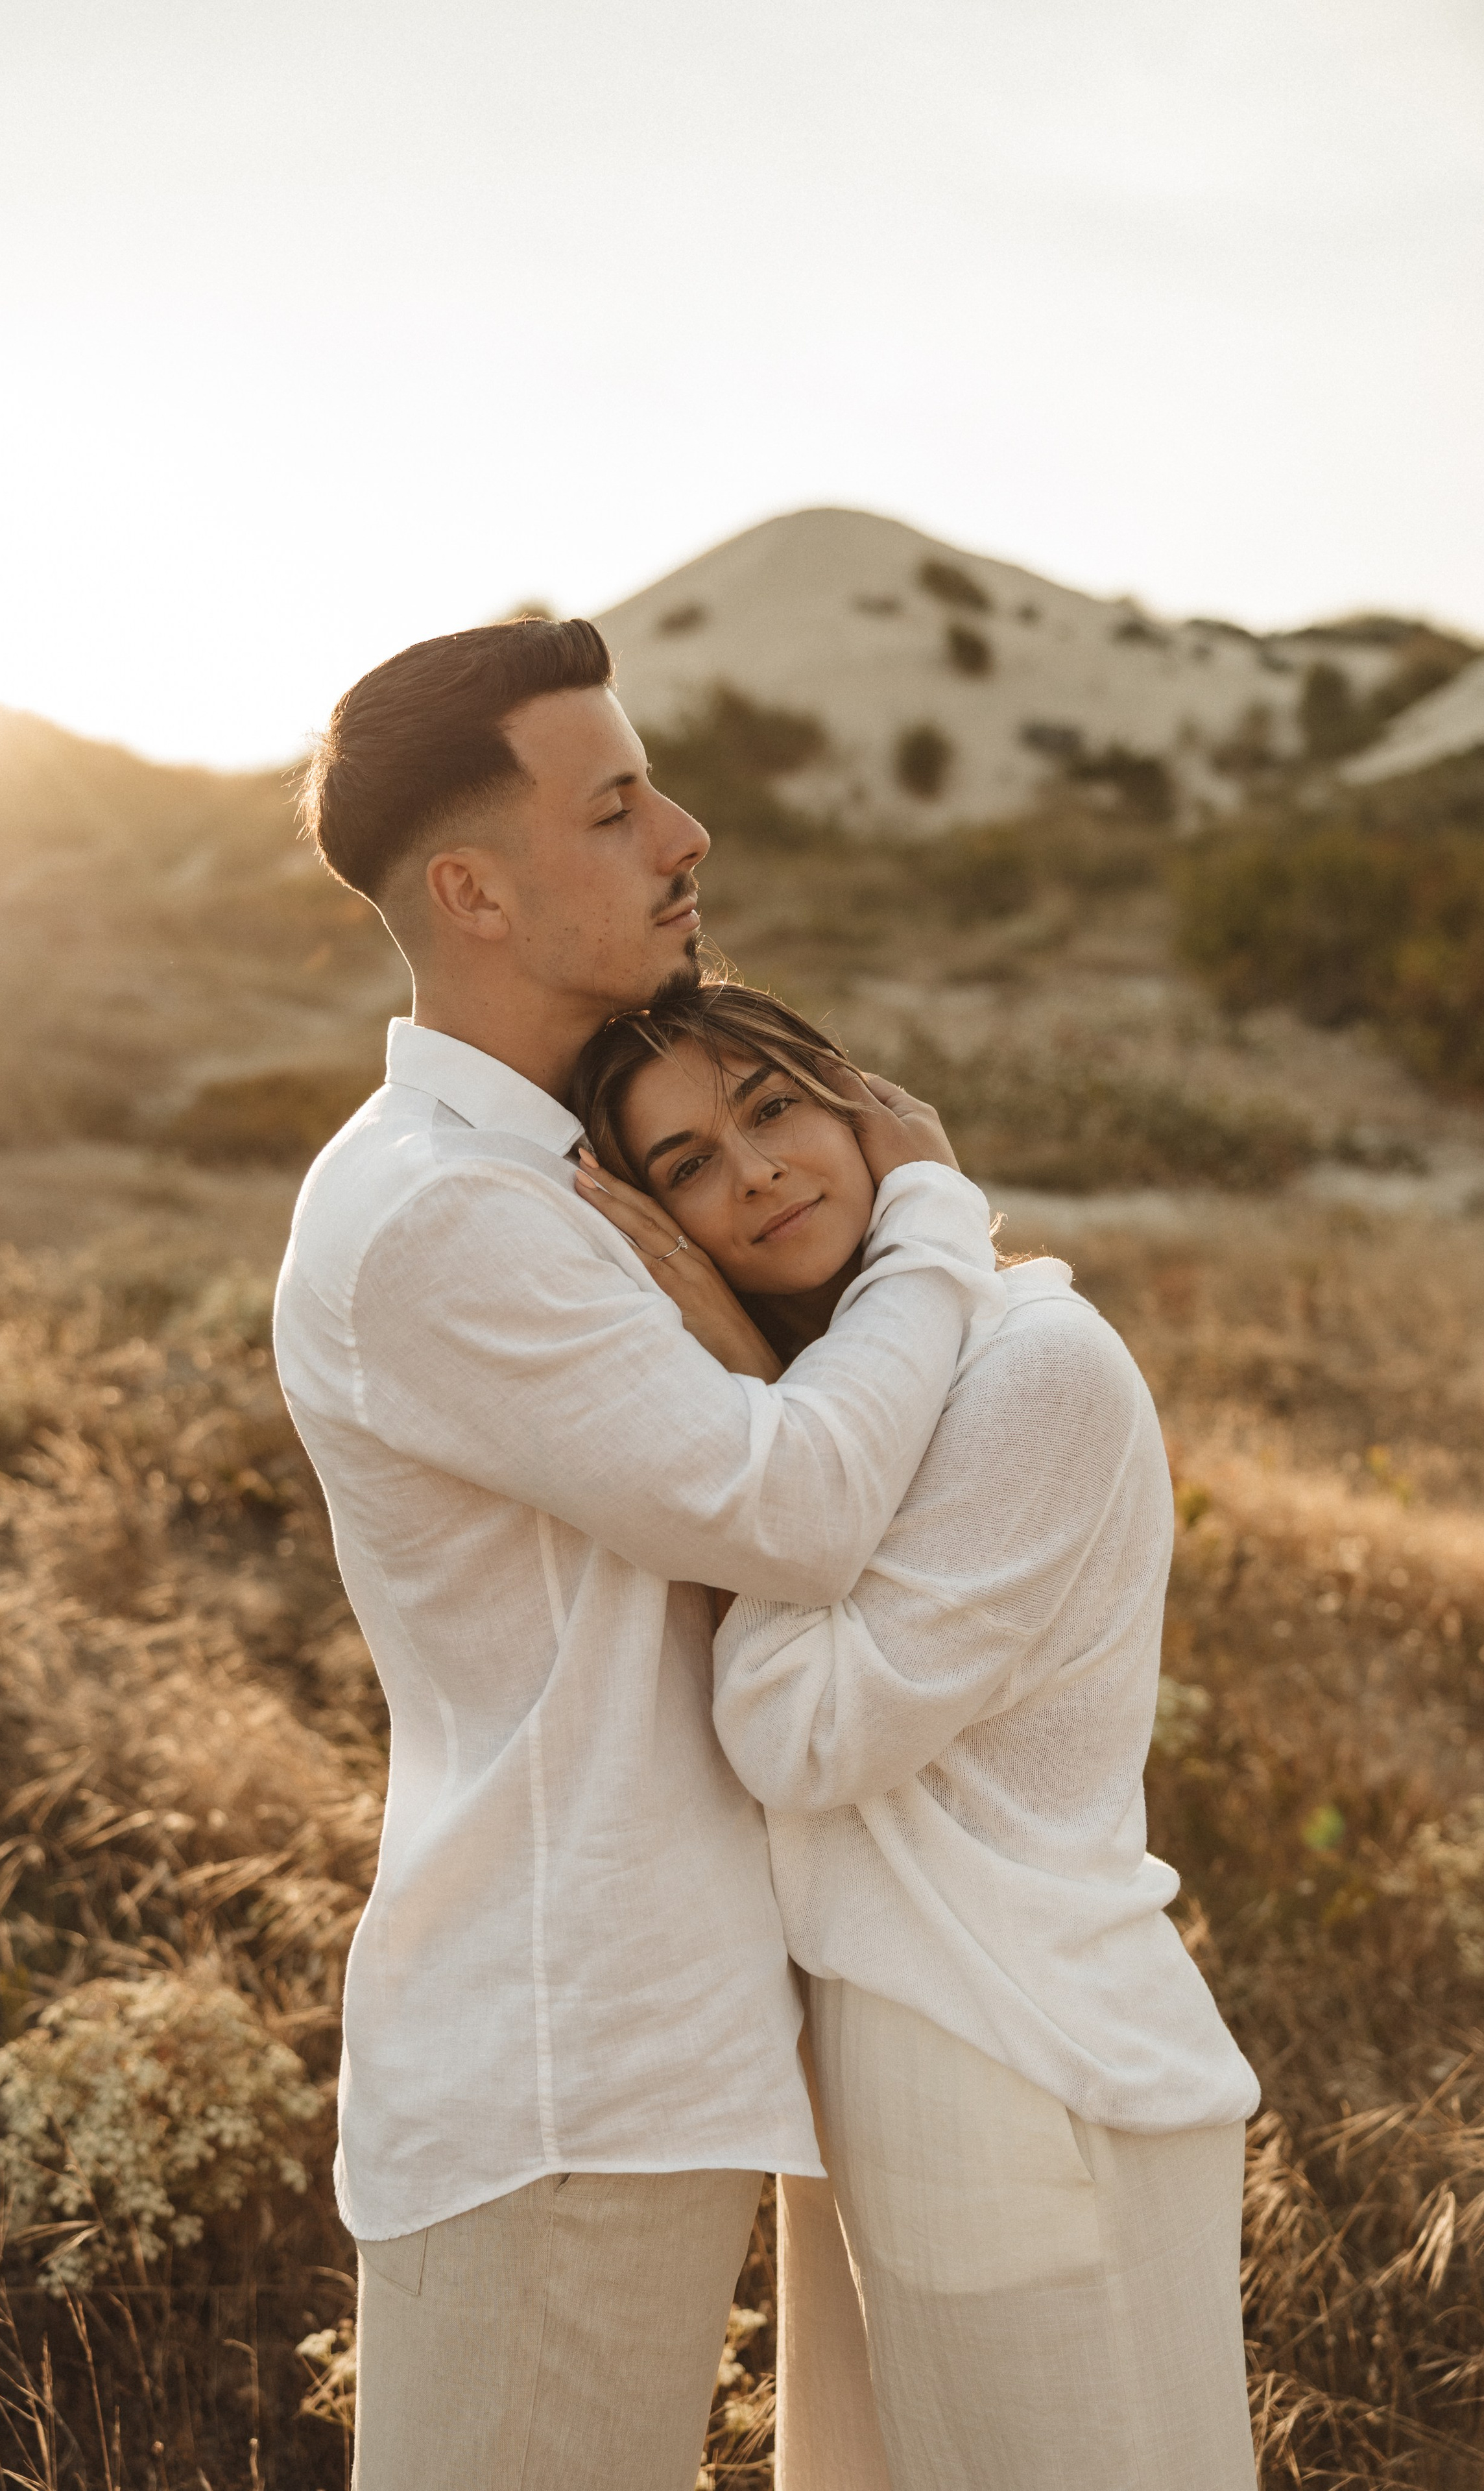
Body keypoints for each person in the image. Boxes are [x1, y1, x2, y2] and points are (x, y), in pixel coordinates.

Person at [271, 618, 1007, 2491]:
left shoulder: (538, 1183)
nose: (686, 835)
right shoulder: (444, 1217)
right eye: (614, 807)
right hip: (561, 2058)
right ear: (475, 893)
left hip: (616, 2044)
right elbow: (801, 1511)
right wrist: (926, 1212)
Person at [571, 978, 1262, 2491]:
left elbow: (805, 1738)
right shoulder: (847, 1406)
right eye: (684, 1161)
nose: (749, 1170)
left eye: (770, 1109)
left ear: (860, 1107)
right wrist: (764, 1408)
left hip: (1015, 2051)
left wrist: (748, 1393)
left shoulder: (1030, 1367)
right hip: (891, 2039)